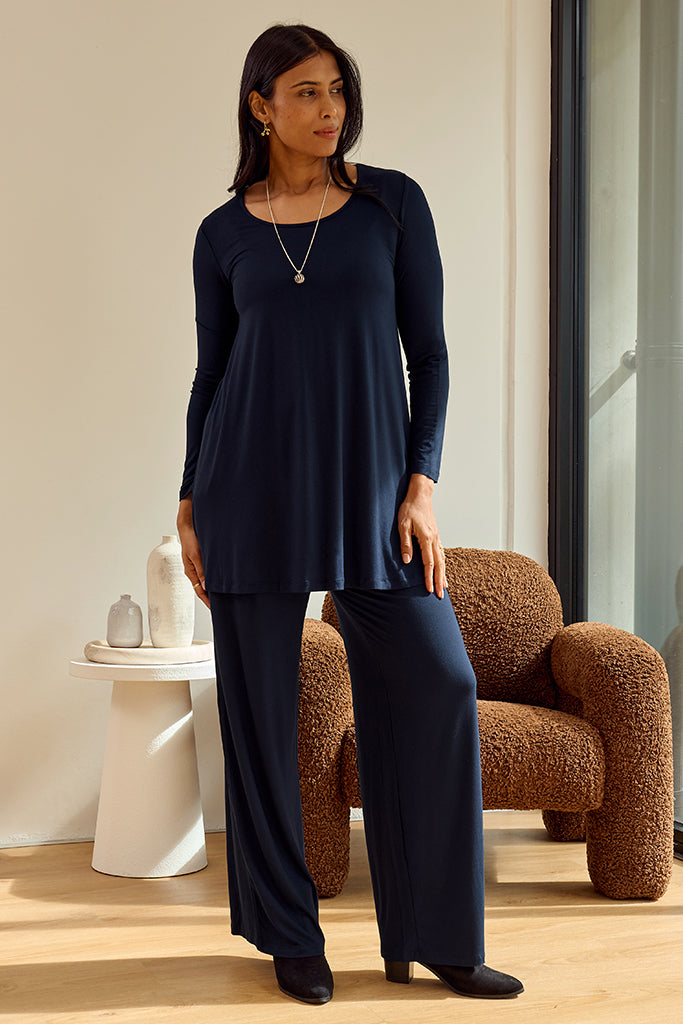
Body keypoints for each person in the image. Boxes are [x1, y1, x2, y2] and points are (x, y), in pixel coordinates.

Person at [177, 22, 523, 1007]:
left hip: (373, 495)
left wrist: (421, 483)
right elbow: (210, 375)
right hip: (246, 491)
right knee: (261, 720)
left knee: (437, 684)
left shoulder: (390, 205)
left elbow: (432, 355)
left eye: (336, 88)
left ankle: (436, 936)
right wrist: (189, 499)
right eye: (305, 91)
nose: (328, 108)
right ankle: (289, 933)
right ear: (260, 107)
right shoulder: (222, 233)